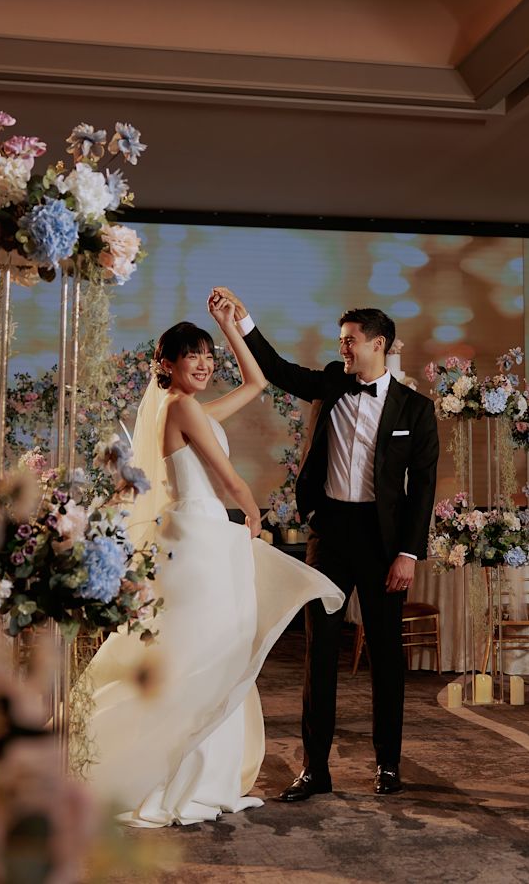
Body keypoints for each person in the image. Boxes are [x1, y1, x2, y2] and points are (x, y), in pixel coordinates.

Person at [81, 295, 343, 827]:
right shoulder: (180, 408)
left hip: (200, 536)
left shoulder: (188, 408)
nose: (203, 364)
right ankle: (174, 776)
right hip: (198, 542)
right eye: (192, 355)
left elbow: (256, 383)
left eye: (207, 355)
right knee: (201, 655)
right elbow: (228, 478)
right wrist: (253, 514)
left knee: (208, 652)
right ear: (166, 364)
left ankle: (191, 772)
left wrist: (229, 326)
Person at [210, 288, 439, 799]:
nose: (343, 349)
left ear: (379, 344)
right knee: (319, 653)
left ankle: (388, 765)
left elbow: (422, 489)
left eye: (351, 341)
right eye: (341, 341)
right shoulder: (333, 382)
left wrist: (408, 553)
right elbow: (277, 370)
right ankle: (315, 769)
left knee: (386, 656)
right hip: (330, 534)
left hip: (383, 544)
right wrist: (242, 320)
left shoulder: (416, 411)